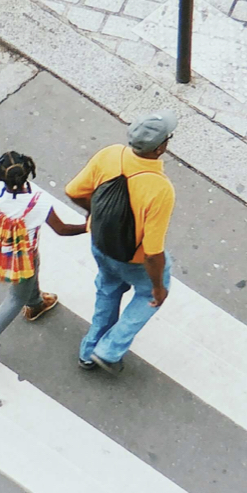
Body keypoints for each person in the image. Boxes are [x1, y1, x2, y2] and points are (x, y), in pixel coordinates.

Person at [65, 110, 177, 375]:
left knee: (108, 289)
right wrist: (158, 288)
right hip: (133, 259)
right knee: (148, 295)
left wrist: (97, 215)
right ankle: (108, 350)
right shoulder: (160, 189)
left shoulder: (110, 154)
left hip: (100, 243)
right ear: (160, 147)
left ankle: (88, 353)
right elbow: (152, 253)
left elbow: (73, 191)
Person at [0, 150, 87, 369]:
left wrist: (0, 171)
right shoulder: (37, 202)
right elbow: (62, 229)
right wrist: (88, 226)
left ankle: (36, 304)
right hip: (23, 257)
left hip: (2, 250)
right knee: (15, 297)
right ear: (27, 174)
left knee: (29, 280)